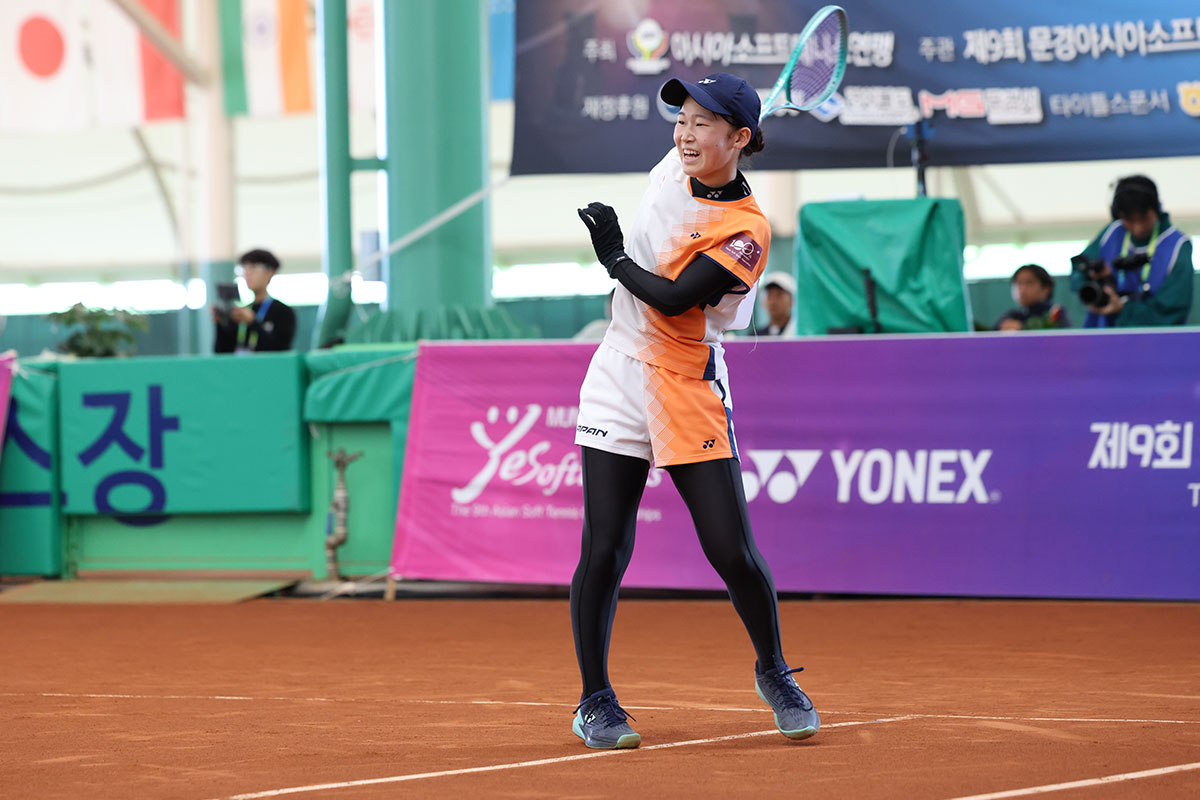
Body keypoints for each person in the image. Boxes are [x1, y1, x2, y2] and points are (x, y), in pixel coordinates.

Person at [570, 72, 819, 750]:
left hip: (686, 381)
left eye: (703, 123)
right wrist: (712, 119)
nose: (684, 133)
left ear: (738, 139)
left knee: (730, 550)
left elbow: (674, 299)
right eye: (681, 120)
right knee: (605, 547)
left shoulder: (747, 231)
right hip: (617, 371)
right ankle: (595, 700)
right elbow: (709, 127)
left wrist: (613, 256)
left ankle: (773, 671)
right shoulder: (675, 163)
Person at [1072, 176, 1193, 328]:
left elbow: (1171, 313)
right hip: (1103, 335)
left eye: (1143, 219)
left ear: (1156, 209)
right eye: (1129, 220)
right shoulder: (1112, 233)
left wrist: (1123, 309)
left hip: (1155, 339)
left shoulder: (1177, 246)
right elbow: (1079, 272)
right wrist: (1096, 278)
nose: (1138, 228)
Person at [212, 249, 297, 353]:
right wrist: (221, 323)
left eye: (253, 267)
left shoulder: (283, 312)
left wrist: (252, 323)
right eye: (244, 268)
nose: (247, 273)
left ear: (270, 272)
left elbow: (279, 350)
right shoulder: (240, 313)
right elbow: (222, 352)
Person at [994, 264, 1070, 331]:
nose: (1022, 289)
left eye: (1029, 283)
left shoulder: (1055, 313)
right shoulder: (1012, 315)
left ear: (1046, 288)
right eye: (1018, 283)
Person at [753, 271, 796, 335]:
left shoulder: (801, 334)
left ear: (791, 300)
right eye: (769, 295)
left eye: (779, 295)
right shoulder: (755, 337)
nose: (773, 301)